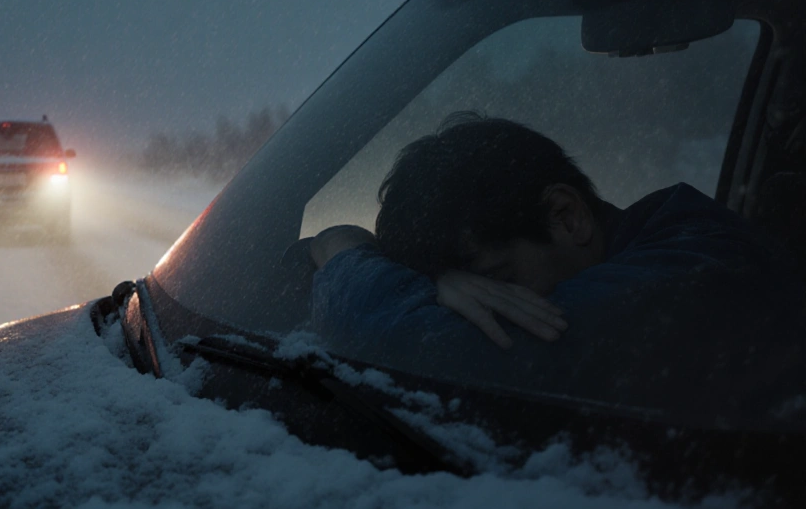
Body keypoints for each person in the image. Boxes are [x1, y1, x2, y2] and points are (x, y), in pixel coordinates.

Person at [310, 113, 800, 356]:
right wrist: (437, 283)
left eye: (497, 277)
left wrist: (338, 247)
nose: (482, 299)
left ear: (568, 217)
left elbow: (417, 346)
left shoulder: (696, 271)